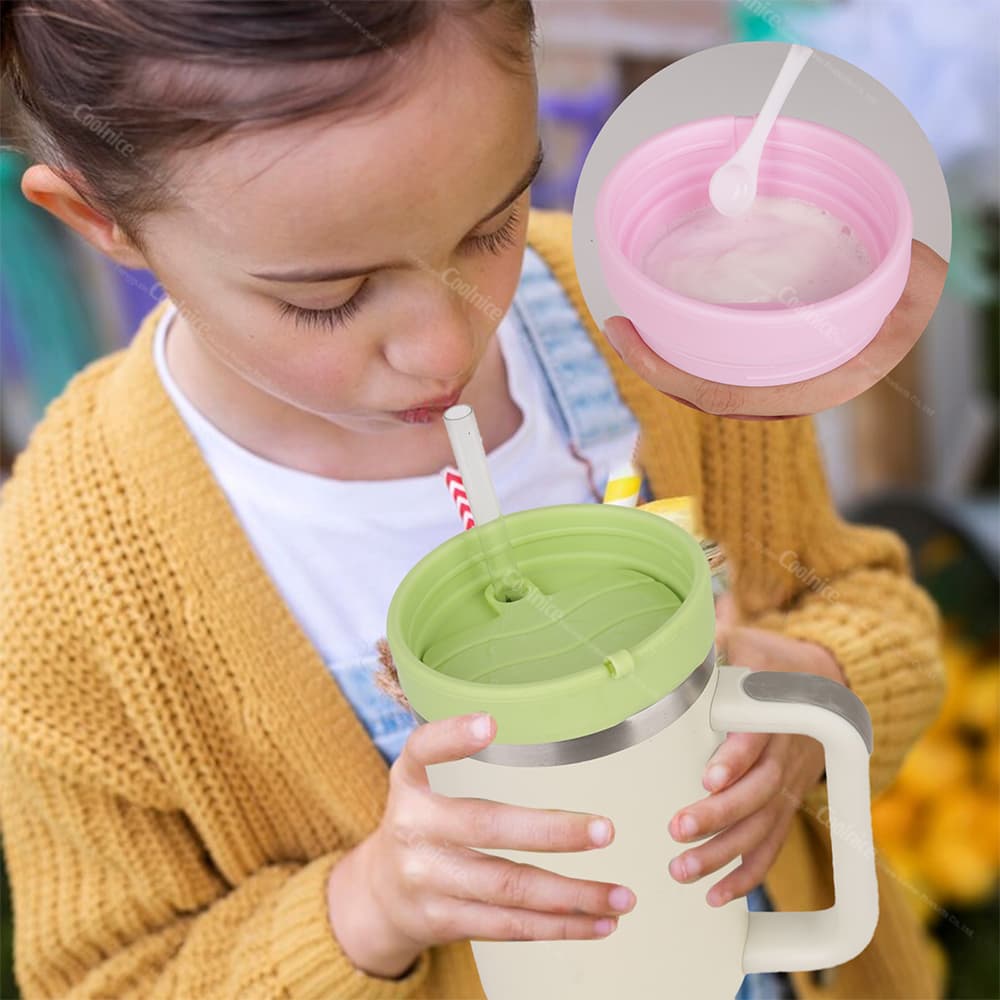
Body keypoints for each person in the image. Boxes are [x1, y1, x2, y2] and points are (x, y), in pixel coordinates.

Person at [0, 3, 946, 998]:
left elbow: (873, 608)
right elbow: (112, 976)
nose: (447, 348)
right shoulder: (63, 584)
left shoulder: (654, 336)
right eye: (327, 298)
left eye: (491, 224)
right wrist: (365, 910)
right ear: (101, 218)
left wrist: (808, 693)